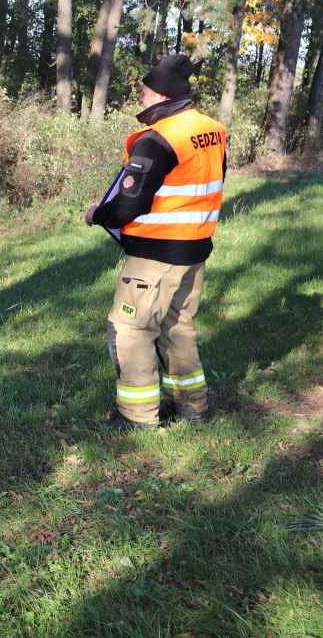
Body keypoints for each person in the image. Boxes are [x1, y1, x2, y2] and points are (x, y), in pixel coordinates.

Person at [84, 54, 227, 430]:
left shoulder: (159, 138)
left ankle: (137, 416)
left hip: (155, 256)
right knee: (178, 327)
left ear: (163, 96)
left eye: (145, 93)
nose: (142, 100)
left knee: (129, 330)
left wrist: (98, 214)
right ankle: (192, 408)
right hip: (194, 250)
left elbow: (131, 202)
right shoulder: (213, 130)